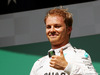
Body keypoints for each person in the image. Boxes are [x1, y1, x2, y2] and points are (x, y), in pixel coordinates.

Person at [30, 7, 98, 75]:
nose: (52, 30)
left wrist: (67, 67)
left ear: (68, 30)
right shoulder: (39, 63)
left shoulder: (79, 55)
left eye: (57, 26)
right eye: (48, 27)